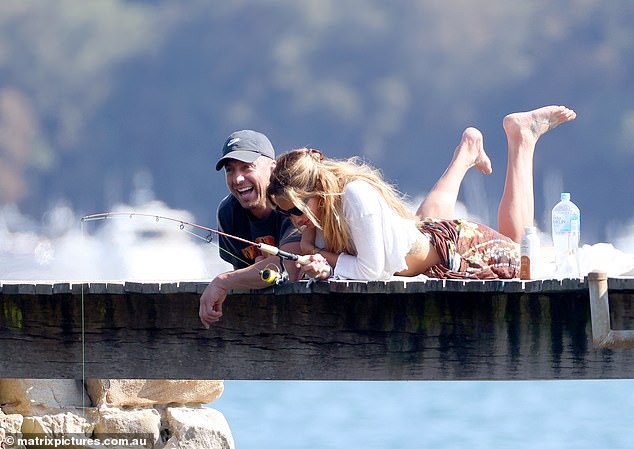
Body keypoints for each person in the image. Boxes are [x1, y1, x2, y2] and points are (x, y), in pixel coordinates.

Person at [267, 105, 576, 281]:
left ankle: (522, 139)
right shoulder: (322, 215)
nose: (292, 218)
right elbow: (320, 266)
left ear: (316, 194)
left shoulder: (355, 198)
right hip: (427, 238)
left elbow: (371, 272)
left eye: (294, 209)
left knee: (524, 257)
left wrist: (319, 255)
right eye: (284, 212)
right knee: (426, 225)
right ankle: (467, 152)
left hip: (458, 251)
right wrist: (311, 248)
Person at [199, 130, 302, 328]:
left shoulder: (292, 204)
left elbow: (290, 263)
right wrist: (254, 271)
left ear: (272, 168)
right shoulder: (228, 213)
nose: (237, 179)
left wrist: (222, 282)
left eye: (247, 168)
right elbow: (243, 276)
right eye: (230, 170)